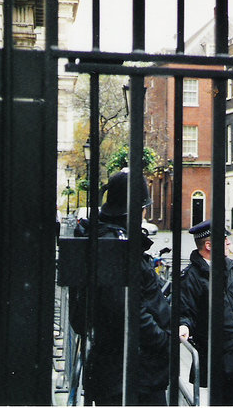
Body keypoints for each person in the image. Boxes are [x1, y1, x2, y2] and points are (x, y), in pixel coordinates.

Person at [70, 169, 171, 405]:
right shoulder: (113, 247)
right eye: (144, 208)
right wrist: (163, 340)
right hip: (131, 374)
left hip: (125, 371)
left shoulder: (108, 240)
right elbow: (126, 310)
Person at [178, 220, 233, 406]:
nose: (229, 243)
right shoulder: (191, 277)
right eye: (225, 239)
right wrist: (184, 325)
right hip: (220, 358)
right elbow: (184, 310)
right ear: (209, 245)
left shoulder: (232, 268)